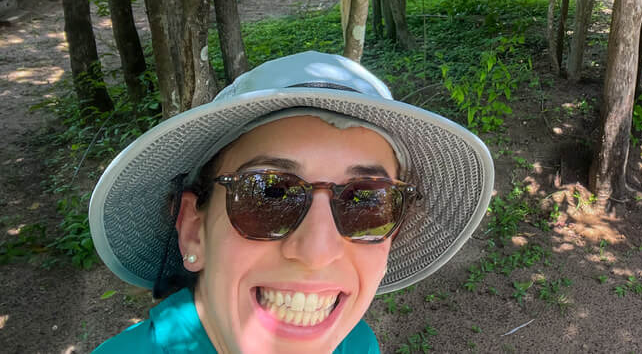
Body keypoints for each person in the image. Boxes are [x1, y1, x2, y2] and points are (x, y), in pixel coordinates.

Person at [89, 51, 494, 353]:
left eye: (366, 202)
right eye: (269, 194)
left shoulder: (355, 345)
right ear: (194, 231)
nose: (317, 251)